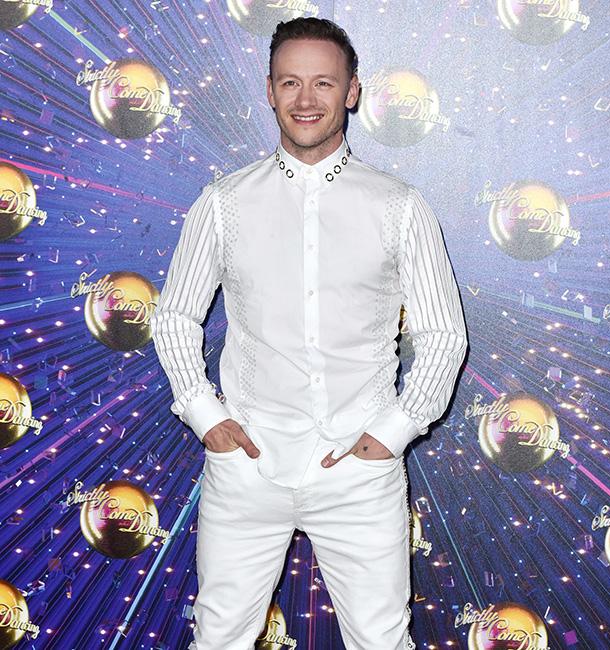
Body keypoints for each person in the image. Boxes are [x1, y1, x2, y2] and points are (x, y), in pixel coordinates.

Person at [150, 16, 468, 650]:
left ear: (352, 91)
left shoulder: (399, 206)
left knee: (382, 641)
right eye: (290, 82)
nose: (305, 99)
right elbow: (174, 317)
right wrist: (206, 417)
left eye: (323, 82)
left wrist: (392, 433)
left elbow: (443, 334)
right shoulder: (223, 203)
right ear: (269, 90)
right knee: (219, 638)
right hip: (247, 467)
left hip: (360, 472)